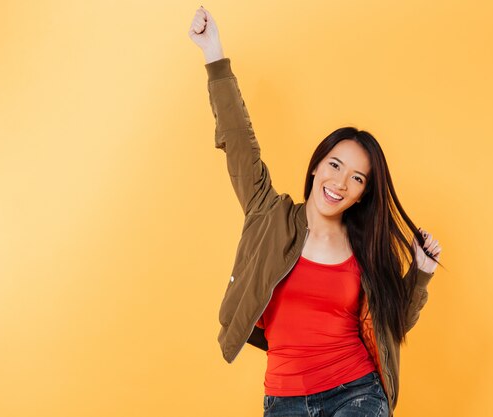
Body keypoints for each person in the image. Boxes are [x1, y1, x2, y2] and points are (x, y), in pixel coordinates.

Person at [188, 7, 443, 417]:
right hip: (282, 401)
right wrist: (213, 54)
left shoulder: (364, 249)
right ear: (317, 165)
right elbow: (238, 141)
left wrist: (420, 273)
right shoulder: (268, 213)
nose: (341, 184)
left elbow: (392, 325)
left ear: (363, 194)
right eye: (335, 165)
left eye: (358, 179)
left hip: (357, 393)